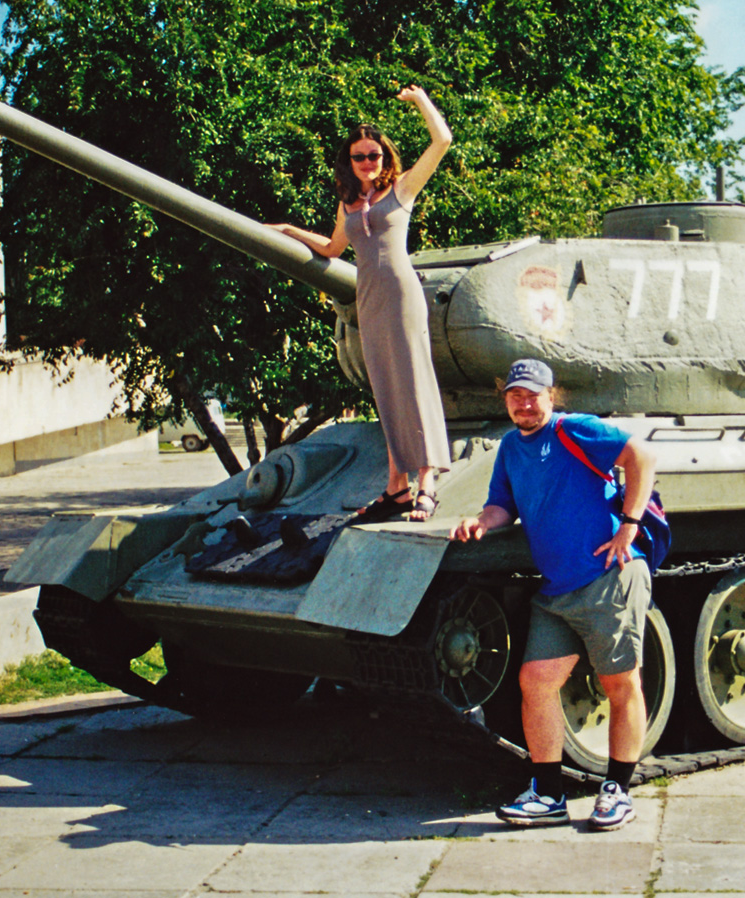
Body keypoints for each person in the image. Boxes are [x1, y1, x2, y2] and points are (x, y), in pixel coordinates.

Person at [451, 358, 659, 831]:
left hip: (607, 577)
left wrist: (629, 525)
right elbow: (502, 506)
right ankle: (548, 794)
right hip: (558, 588)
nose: (524, 404)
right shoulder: (510, 447)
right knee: (536, 680)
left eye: (533, 396)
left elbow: (642, 457)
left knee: (620, 684)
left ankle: (618, 791)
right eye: (515, 396)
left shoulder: (575, 429)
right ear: (506, 400)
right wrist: (480, 522)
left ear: (551, 396)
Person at [270, 86, 453, 521]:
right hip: (369, 301)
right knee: (385, 390)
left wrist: (420, 100)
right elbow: (333, 248)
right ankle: (396, 487)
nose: (368, 162)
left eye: (375, 155)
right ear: (349, 162)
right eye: (360, 157)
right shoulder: (347, 203)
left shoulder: (402, 189)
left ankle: (427, 483)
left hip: (402, 296)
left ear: (385, 158)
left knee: (413, 384)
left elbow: (442, 140)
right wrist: (289, 230)